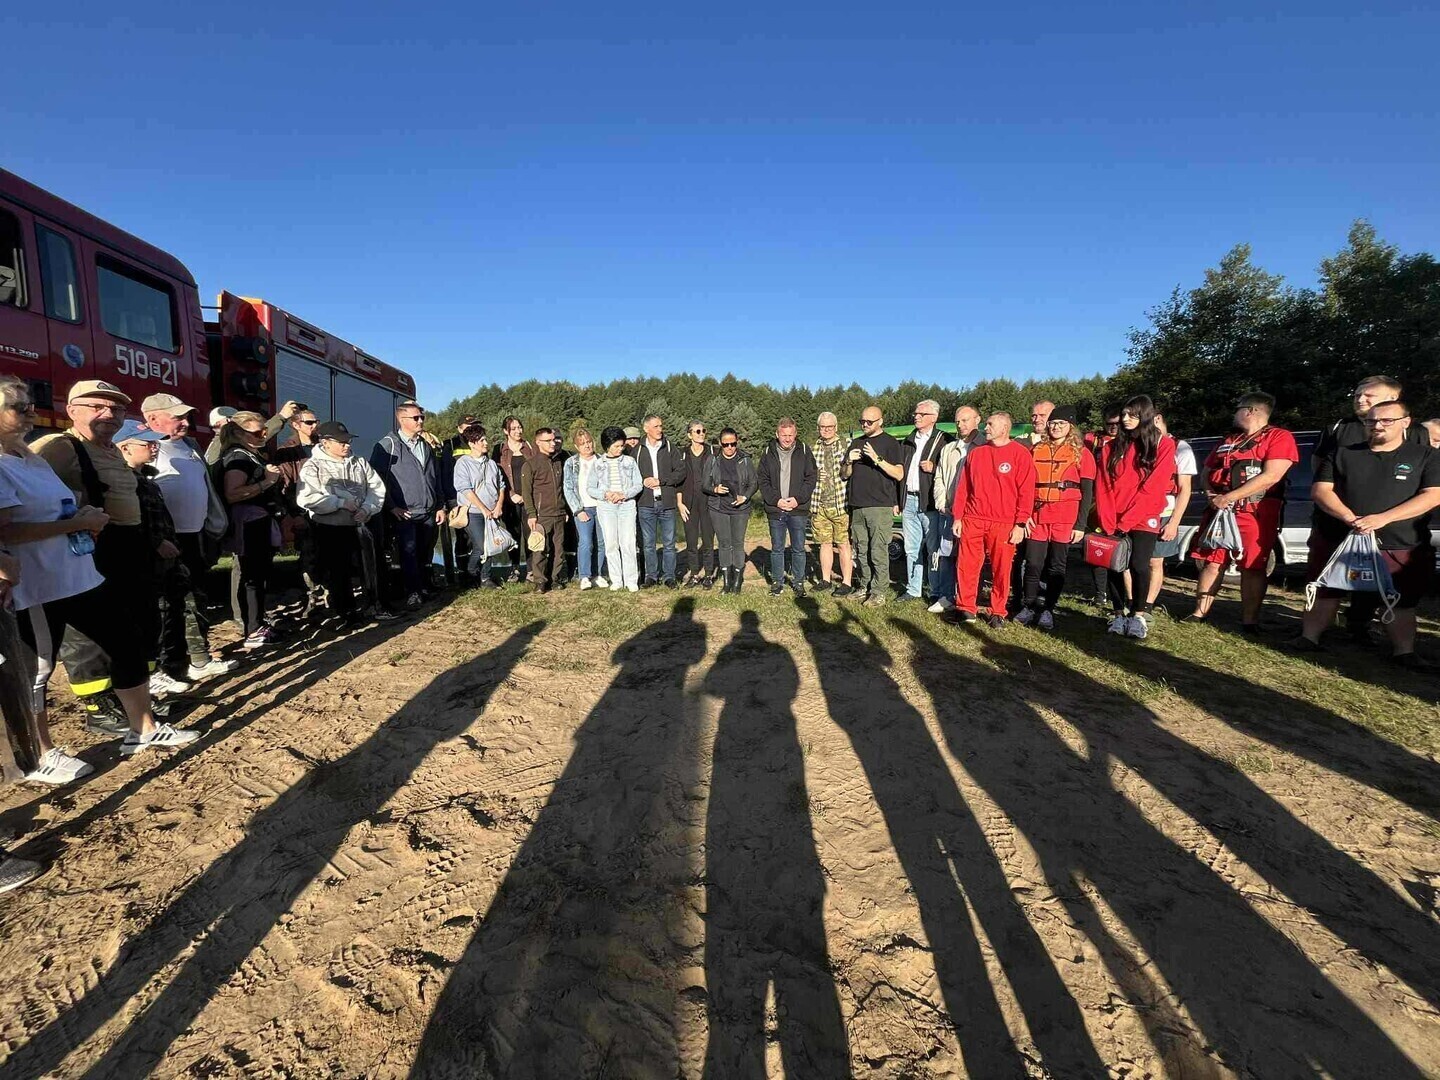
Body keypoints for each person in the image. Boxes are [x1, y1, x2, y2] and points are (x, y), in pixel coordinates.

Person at [0, 375, 198, 770]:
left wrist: (80, 514)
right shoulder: (45, 450)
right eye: (19, 407)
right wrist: (77, 523)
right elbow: (7, 530)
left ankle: (143, 729)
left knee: (126, 640)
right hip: (38, 583)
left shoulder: (27, 455)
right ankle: (38, 756)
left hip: (79, 572)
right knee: (38, 668)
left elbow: (55, 502)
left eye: (29, 405)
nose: (30, 412)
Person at [35, 381, 159, 734]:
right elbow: (32, 497)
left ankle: (130, 698)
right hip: (92, 548)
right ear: (72, 410)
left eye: (117, 409)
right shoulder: (59, 447)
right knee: (88, 636)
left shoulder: (110, 449)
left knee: (133, 624)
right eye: (97, 406)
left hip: (128, 545)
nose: (109, 414)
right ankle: (98, 705)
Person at [1292, 400, 1439, 669]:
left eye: (1386, 420)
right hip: (1340, 537)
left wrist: (1383, 518)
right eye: (1371, 421)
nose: (1377, 425)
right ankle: (1308, 638)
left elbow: (1432, 496)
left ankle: (1404, 652)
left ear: (1406, 422)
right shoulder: (1342, 453)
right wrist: (1349, 518)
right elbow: (1321, 490)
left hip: (1399, 541)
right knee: (1325, 591)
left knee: (1400, 600)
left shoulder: (1426, 456)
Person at [1311, 376, 1427, 643]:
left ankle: (1361, 627)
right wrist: (1342, 510)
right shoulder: (1338, 427)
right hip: (1338, 523)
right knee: (1327, 582)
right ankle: (1313, 634)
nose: (1360, 400)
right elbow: (1319, 470)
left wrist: (1386, 515)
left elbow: (1421, 472)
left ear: (1393, 399)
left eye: (1368, 396)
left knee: (1385, 587)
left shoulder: (1415, 432)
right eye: (1357, 395)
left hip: (1393, 530)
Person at [141, 393, 233, 682]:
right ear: (152, 419)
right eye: (176, 417)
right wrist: (156, 539)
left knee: (195, 600)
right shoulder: (144, 448)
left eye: (185, 416)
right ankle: (165, 669)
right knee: (165, 607)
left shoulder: (190, 445)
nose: (184, 422)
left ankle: (199, 659)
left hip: (195, 537)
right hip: (163, 542)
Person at [1189, 393, 1299, 633]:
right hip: (1220, 510)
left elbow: (1272, 476)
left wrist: (1229, 497)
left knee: (1253, 565)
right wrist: (1211, 495)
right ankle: (1199, 613)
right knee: (1212, 560)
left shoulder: (1279, 437)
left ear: (1250, 411)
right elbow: (1207, 471)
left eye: (1238, 409)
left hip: (1255, 510)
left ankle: (1249, 621)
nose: (1234, 413)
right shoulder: (1229, 439)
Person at [114, 420, 194, 697]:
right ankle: (154, 673)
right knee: (152, 616)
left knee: (169, 612)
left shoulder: (146, 479)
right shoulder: (122, 481)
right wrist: (155, 542)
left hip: (165, 561)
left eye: (154, 442)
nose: (154, 447)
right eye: (147, 443)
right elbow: (126, 523)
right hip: (143, 562)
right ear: (124, 447)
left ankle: (170, 666)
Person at [1095, 395, 1176, 640]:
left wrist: (1127, 521)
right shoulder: (1110, 448)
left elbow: (1154, 487)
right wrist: (1108, 520)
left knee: (1139, 565)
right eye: (1124, 414)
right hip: (1113, 517)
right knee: (1113, 564)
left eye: (1133, 414)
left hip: (1144, 516)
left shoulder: (1163, 445)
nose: (1126, 419)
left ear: (1146, 416)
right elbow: (1104, 486)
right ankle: (1118, 613)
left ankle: (1138, 615)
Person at [949, 413, 1035, 626]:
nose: (985, 428)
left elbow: (1026, 491)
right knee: (967, 566)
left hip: (1004, 522)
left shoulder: (1020, 454)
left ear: (1004, 428)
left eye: (990, 424)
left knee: (1001, 568)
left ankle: (997, 611)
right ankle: (966, 608)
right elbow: (964, 488)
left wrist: (1020, 523)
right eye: (986, 424)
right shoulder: (977, 453)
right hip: (973, 518)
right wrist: (958, 517)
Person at [297, 421, 387, 623]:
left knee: (371, 566)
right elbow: (306, 498)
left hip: (360, 525)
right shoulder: (313, 466)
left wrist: (367, 508)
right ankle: (346, 613)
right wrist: (339, 503)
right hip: (330, 527)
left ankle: (375, 605)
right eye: (342, 442)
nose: (347, 445)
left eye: (348, 441)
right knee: (339, 572)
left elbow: (376, 488)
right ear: (326, 442)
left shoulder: (359, 462)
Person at [1014, 406, 1094, 630]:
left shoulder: (1082, 453)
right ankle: (1029, 606)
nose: (1056, 427)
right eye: (1053, 423)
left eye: (1061, 423)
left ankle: (1048, 608)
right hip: (1038, 515)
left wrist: (1081, 525)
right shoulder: (1036, 449)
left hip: (1065, 516)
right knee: (1033, 563)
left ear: (1071, 426)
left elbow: (1087, 492)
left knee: (1056, 566)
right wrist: (1025, 514)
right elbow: (1026, 485)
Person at [216, 411, 286, 648]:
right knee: (252, 576)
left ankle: (258, 624)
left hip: (259, 521)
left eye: (265, 430)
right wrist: (267, 482)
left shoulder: (249, 454)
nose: (264, 435)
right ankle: (253, 629)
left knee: (259, 574)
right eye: (257, 432)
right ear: (238, 433)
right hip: (249, 523)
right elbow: (232, 493)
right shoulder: (237, 457)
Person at [371, 402, 444, 610]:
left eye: (422, 417)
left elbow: (435, 477)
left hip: (428, 510)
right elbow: (376, 480)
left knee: (424, 552)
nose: (420, 421)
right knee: (408, 553)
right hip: (404, 512)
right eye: (416, 418)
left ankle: (423, 587)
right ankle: (412, 592)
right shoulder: (387, 445)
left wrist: (440, 505)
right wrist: (391, 506)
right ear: (402, 420)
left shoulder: (425, 445)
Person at [844, 406, 904, 606]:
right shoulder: (856, 442)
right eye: (862, 421)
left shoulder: (890, 442)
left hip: (879, 506)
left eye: (869, 422)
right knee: (861, 550)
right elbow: (844, 475)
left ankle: (879, 591)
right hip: (857, 505)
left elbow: (899, 474)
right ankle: (864, 585)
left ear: (880, 421)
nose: (864, 425)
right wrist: (848, 462)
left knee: (878, 550)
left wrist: (877, 458)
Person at [928, 405, 985, 612]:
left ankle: (968, 599)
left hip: (975, 513)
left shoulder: (984, 447)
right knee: (946, 555)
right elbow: (940, 478)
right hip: (949, 511)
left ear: (977, 420)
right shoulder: (949, 449)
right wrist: (941, 503)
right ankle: (946, 596)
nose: (960, 425)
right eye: (957, 421)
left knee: (971, 559)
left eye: (965, 420)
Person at [757, 417, 818, 597]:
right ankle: (777, 583)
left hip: (798, 508)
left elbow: (811, 478)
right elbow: (762, 480)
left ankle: (798, 583)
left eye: (791, 435)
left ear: (795, 434)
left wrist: (798, 499)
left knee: (798, 548)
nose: (787, 439)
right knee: (777, 548)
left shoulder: (804, 450)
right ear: (777, 434)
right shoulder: (768, 452)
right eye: (784, 435)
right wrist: (775, 500)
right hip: (776, 509)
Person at [899, 400, 952, 604]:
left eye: (922, 414)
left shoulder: (944, 440)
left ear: (934, 417)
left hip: (929, 502)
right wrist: (898, 499)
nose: (916, 417)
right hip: (909, 500)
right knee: (911, 548)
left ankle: (936, 590)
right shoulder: (908, 440)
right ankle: (913, 589)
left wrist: (934, 467)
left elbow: (953, 471)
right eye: (916, 413)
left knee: (933, 549)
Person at [1145, 411, 1198, 612]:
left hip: (1165, 512)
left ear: (1158, 418)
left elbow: (1185, 489)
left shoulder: (1180, 448)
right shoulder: (1142, 445)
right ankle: (1132, 600)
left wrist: (1174, 523)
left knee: (1155, 561)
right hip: (1140, 511)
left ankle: (1147, 604)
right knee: (1133, 559)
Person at [588, 427, 644, 591]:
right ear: (607, 446)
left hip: (627, 506)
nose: (620, 449)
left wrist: (624, 494)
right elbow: (590, 488)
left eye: (621, 446)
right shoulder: (598, 464)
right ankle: (616, 580)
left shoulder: (630, 462)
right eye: (616, 446)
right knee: (611, 543)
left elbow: (638, 484)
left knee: (628, 542)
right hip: (607, 507)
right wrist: (606, 494)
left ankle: (631, 580)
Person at [634, 414, 686, 588]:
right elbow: (631, 474)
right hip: (645, 503)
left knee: (669, 543)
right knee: (648, 544)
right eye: (656, 426)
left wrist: (661, 481)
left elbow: (681, 472)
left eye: (661, 426)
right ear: (646, 428)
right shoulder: (638, 450)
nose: (660, 429)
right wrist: (643, 481)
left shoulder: (670, 447)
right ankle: (651, 576)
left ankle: (669, 576)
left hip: (667, 502)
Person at [704, 427, 758, 594]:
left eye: (733, 444)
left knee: (738, 544)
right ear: (720, 443)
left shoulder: (745, 459)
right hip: (718, 508)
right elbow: (704, 485)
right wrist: (715, 489)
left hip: (740, 508)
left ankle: (737, 581)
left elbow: (754, 483)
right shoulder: (713, 459)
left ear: (737, 442)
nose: (729, 447)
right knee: (724, 544)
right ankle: (727, 582)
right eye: (726, 444)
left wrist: (745, 497)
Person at [452, 425, 506, 589]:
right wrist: (483, 508)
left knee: (491, 544)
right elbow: (465, 489)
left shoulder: (492, 464)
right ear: (472, 443)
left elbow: (501, 486)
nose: (485, 443)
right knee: (482, 546)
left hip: (492, 512)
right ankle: (471, 572)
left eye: (485, 439)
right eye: (481, 440)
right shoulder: (463, 464)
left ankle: (485, 577)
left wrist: (498, 506)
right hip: (473, 512)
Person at [810, 412, 855, 597]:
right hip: (819, 504)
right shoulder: (814, 448)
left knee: (843, 544)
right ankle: (825, 580)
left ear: (836, 427)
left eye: (829, 427)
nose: (826, 430)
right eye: (823, 427)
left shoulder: (846, 444)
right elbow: (807, 473)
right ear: (818, 428)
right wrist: (814, 474)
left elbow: (852, 472)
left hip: (841, 504)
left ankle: (846, 582)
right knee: (824, 543)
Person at [521, 428, 568, 593]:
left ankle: (556, 579)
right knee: (540, 549)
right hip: (541, 515)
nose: (552, 443)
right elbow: (526, 493)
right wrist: (532, 514)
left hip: (559, 513)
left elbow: (563, 489)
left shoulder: (559, 461)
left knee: (558, 549)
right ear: (538, 442)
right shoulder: (530, 464)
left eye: (553, 439)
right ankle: (540, 581)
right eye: (548, 440)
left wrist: (565, 510)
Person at [562, 428, 608, 589]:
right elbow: (568, 488)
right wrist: (578, 510)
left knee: (601, 542)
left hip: (601, 507)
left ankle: (598, 574)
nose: (587, 446)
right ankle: (584, 576)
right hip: (583, 508)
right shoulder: (571, 463)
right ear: (576, 446)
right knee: (586, 542)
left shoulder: (602, 460)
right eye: (582, 444)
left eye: (589, 442)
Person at [493, 417, 535, 583]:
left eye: (520, 427)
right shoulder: (499, 450)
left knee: (530, 533)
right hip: (509, 501)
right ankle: (514, 569)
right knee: (513, 535)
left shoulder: (530, 447)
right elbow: (496, 475)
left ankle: (531, 570)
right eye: (514, 428)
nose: (518, 431)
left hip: (529, 499)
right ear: (506, 431)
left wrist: (528, 495)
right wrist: (510, 494)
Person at [676, 419, 716, 587]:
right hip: (689, 503)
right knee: (691, 541)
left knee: (708, 540)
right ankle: (694, 574)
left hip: (708, 501)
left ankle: (708, 574)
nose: (701, 434)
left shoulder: (712, 452)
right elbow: (678, 481)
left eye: (703, 431)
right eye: (697, 431)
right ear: (689, 435)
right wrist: (679, 503)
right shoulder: (682, 454)